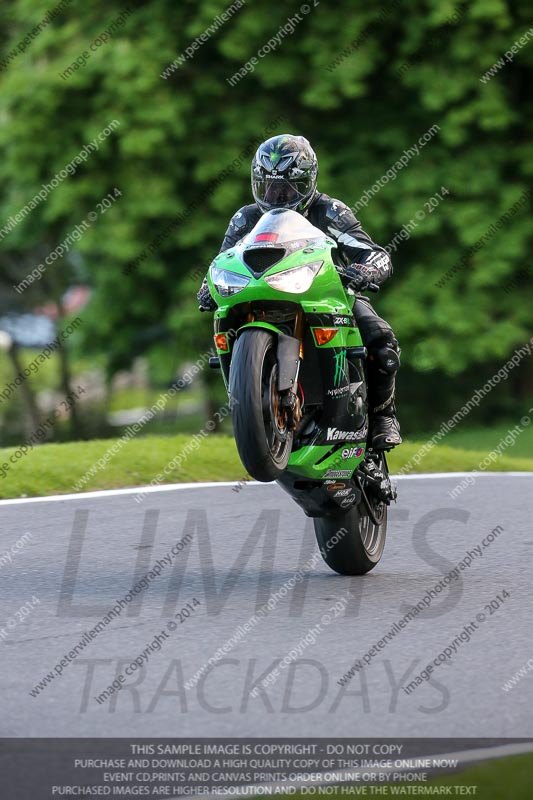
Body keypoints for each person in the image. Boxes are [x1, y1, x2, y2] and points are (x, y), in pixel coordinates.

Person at [197, 134, 401, 450]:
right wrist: (207, 287)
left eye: (289, 185)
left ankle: (383, 415)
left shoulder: (329, 210)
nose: (278, 193)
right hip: (261, 293)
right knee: (225, 321)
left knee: (380, 338)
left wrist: (366, 269)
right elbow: (223, 258)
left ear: (308, 181)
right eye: (269, 185)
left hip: (326, 293)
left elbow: (371, 251)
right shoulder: (246, 218)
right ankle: (256, 401)